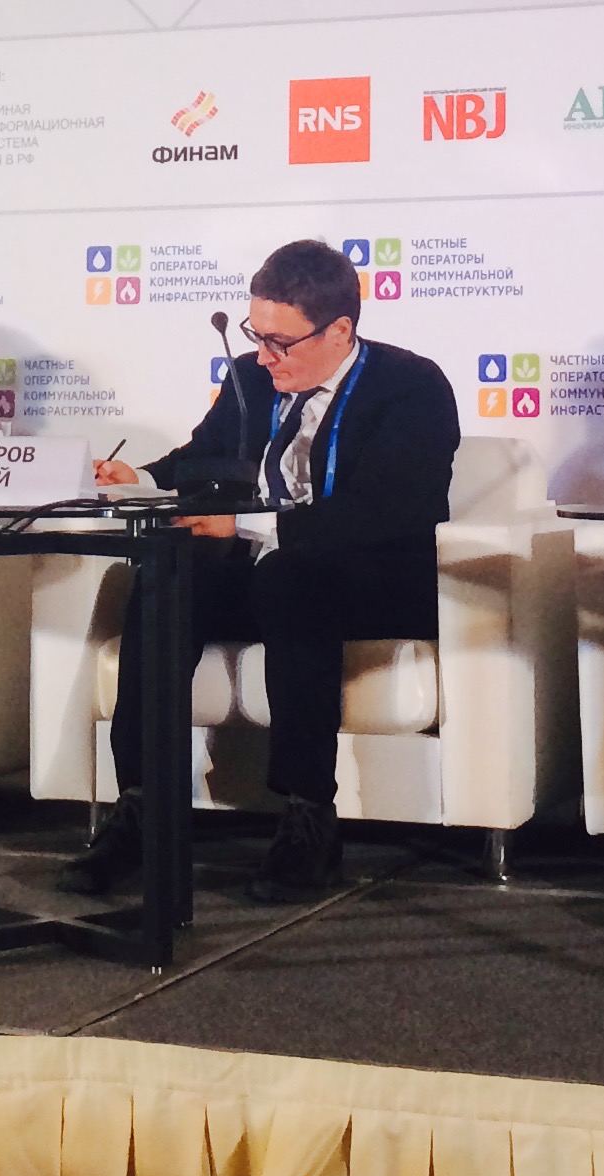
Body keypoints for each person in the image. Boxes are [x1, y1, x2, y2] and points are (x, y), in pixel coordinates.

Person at [61, 238, 459, 904]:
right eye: (256, 335)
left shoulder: (410, 386)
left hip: (377, 579)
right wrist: (144, 480)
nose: (265, 355)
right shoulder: (250, 378)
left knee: (291, 578)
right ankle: (141, 808)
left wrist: (249, 527)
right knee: (170, 570)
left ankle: (309, 819)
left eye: (281, 342)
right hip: (272, 577)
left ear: (340, 331)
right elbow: (204, 458)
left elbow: (390, 510)